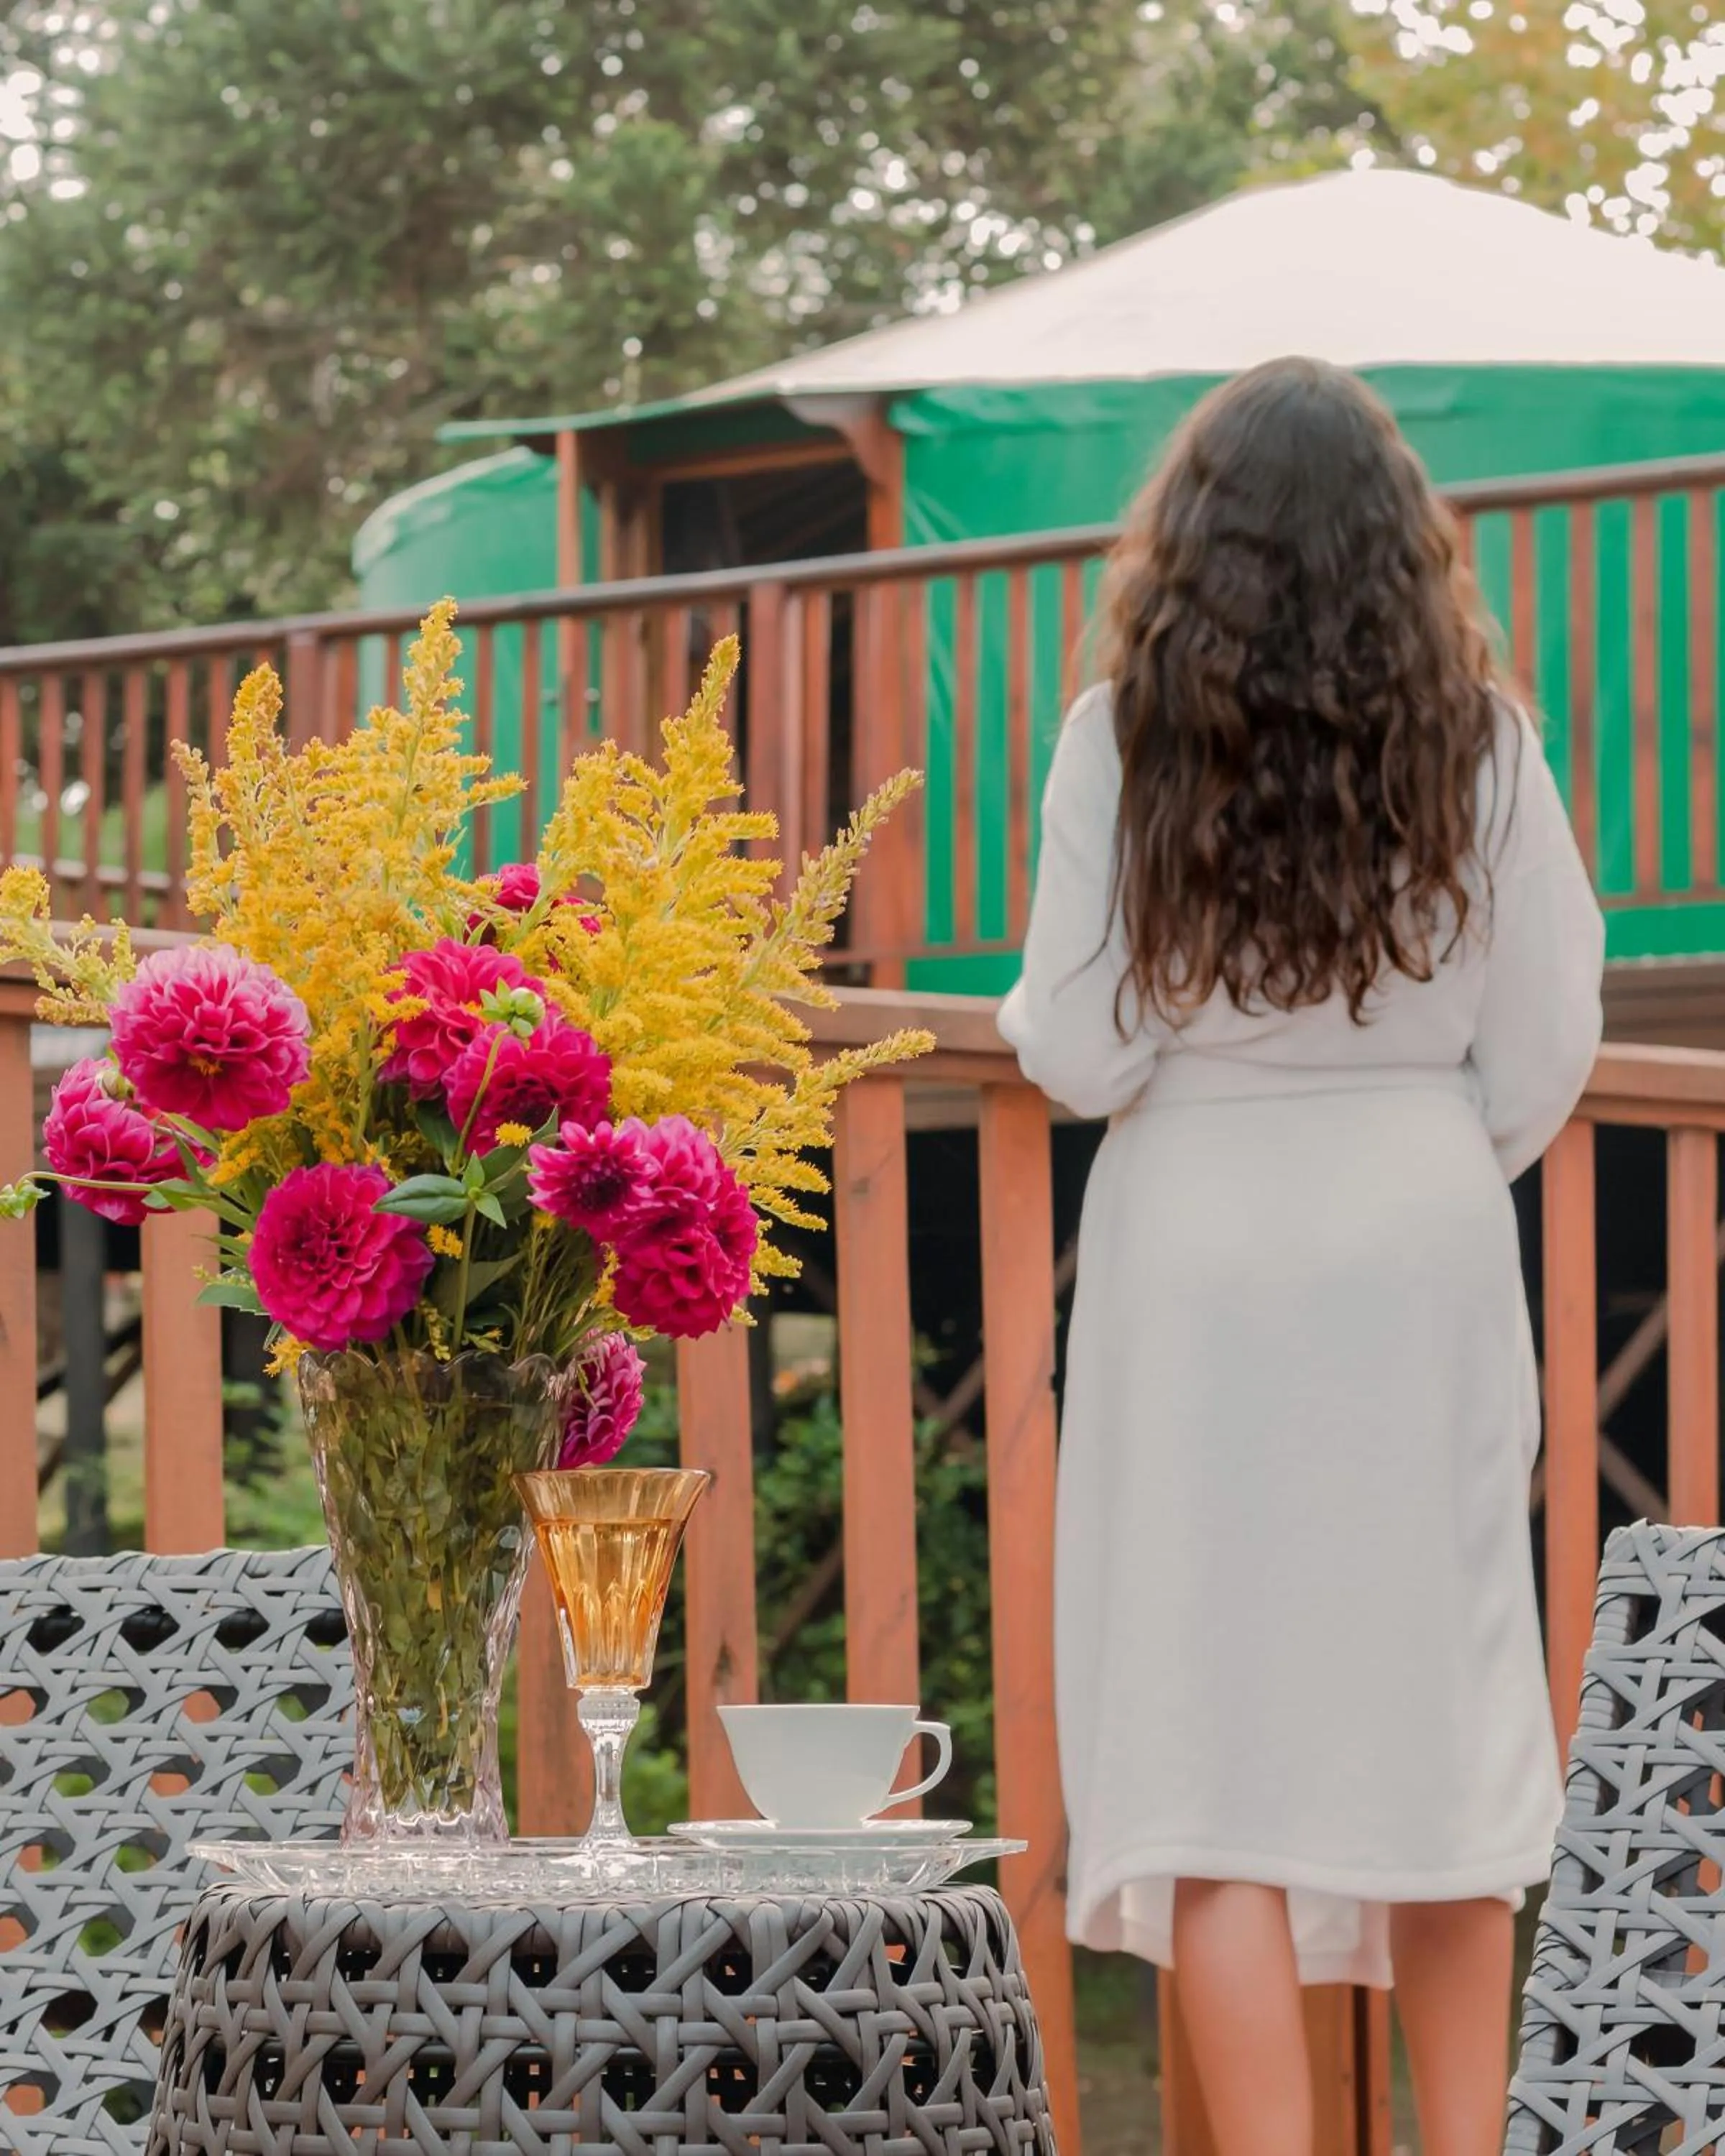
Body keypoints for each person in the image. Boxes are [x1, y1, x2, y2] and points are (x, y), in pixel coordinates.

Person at [997, 356, 1604, 2156]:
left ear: (1192, 545)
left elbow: (1082, 1048)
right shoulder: (1487, 747)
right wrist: (1417, 1140)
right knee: (1446, 1729)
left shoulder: (1121, 739)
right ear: (1404, 547)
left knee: (1213, 1744)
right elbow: (1546, 1047)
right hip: (1415, 1239)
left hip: (1199, 1252)